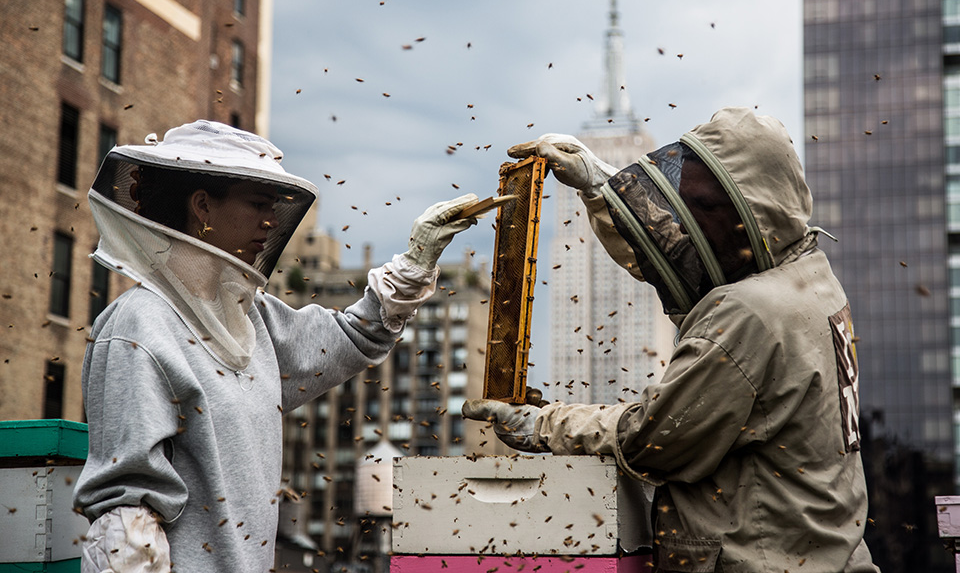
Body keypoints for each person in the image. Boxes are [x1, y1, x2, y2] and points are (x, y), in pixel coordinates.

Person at [463, 107, 879, 572]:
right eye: (686, 204)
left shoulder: (750, 314)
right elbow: (679, 260)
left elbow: (652, 439)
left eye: (703, 208)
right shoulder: (810, 276)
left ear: (751, 209)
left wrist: (541, 426)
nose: (691, 223)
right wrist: (602, 186)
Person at [73, 120, 479, 572]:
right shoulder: (139, 326)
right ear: (203, 206)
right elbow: (126, 516)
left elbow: (354, 336)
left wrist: (416, 262)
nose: (270, 221)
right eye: (257, 204)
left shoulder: (254, 318)